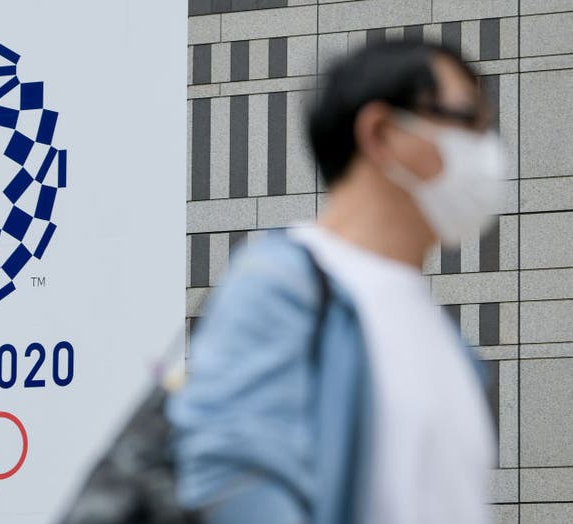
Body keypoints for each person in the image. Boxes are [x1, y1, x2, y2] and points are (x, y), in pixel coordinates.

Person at [168, 40, 503, 524]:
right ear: (382, 133)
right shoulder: (280, 285)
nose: (488, 151)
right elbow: (233, 479)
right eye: (468, 121)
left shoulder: (445, 338)